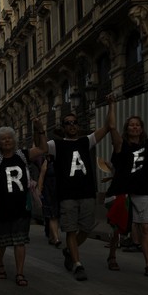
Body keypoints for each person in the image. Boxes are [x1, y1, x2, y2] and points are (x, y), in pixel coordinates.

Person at [0, 120, 48, 286]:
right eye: (3, 139)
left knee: (20, 241)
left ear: (14, 141)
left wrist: (40, 130)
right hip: (1, 208)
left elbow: (42, 149)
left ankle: (20, 273)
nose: (6, 141)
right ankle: (0, 262)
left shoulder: (22, 155)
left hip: (21, 207)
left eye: (9, 138)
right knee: (0, 241)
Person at [104, 96, 148, 278]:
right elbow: (111, 127)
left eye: (137, 125)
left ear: (141, 129)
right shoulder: (120, 145)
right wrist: (112, 105)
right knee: (118, 228)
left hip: (142, 192)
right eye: (131, 124)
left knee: (146, 227)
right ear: (127, 129)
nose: (135, 127)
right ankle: (112, 256)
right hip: (121, 192)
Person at [48, 101, 113, 282]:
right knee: (70, 229)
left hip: (86, 193)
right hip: (67, 195)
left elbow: (108, 126)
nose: (72, 125)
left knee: (85, 228)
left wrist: (111, 105)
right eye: (68, 123)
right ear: (63, 127)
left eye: (74, 122)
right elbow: (40, 146)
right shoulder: (56, 145)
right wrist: (38, 129)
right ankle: (77, 264)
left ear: (78, 125)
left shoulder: (87, 141)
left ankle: (69, 250)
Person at [37, 155, 61, 247]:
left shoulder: (60, 161)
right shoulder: (46, 162)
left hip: (57, 191)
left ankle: (52, 237)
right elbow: (41, 176)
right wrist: (39, 190)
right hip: (48, 191)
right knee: (52, 215)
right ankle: (56, 238)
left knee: (56, 215)